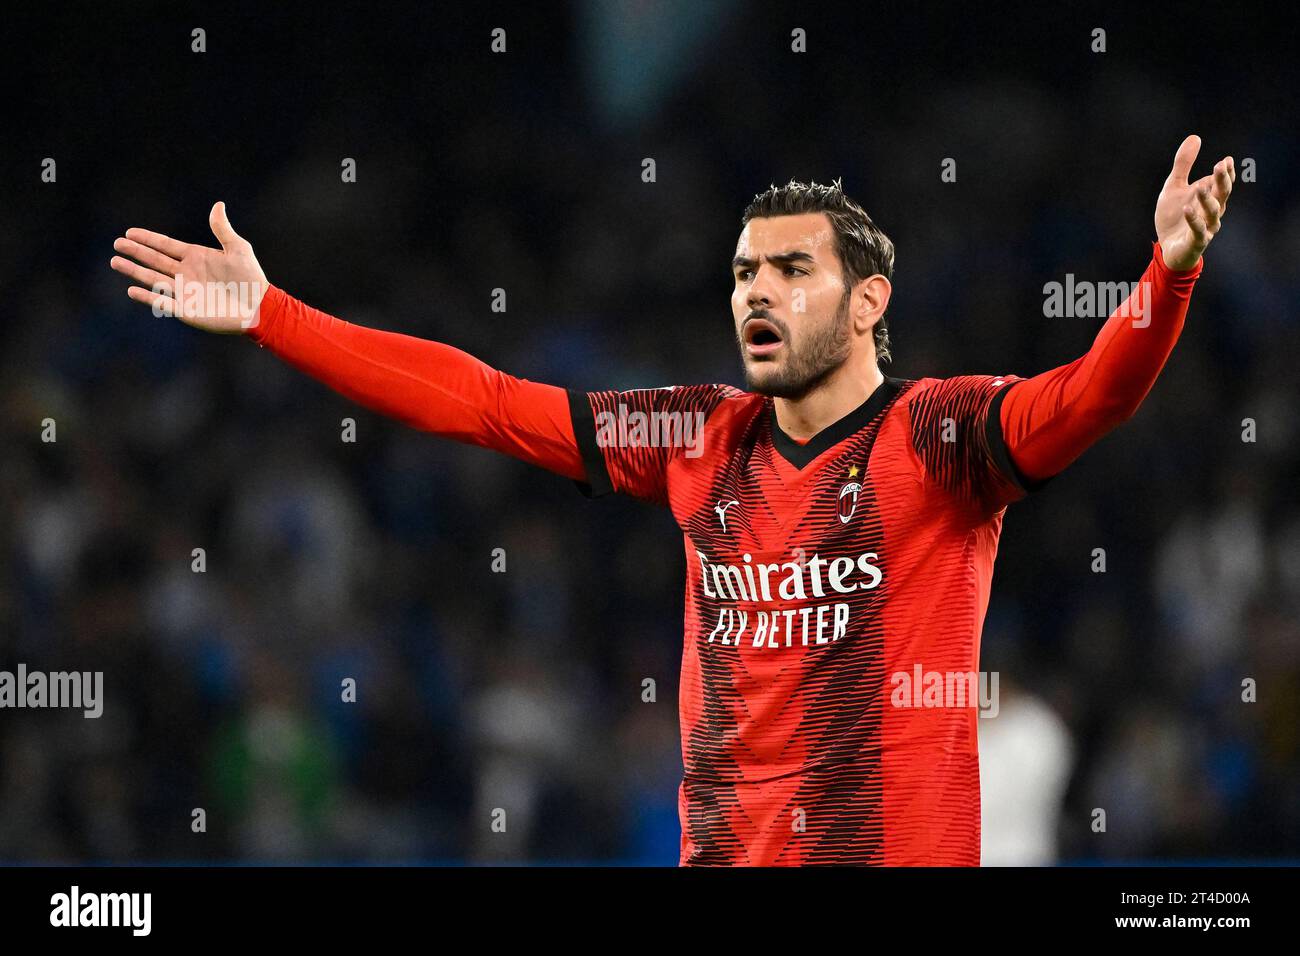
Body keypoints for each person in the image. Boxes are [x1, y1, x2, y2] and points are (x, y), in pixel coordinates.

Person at [109, 135, 1233, 866]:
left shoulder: (939, 435)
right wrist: (275, 314)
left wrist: (1166, 270)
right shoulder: (693, 433)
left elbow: (1093, 394)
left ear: (867, 299)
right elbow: (490, 403)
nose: (757, 290)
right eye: (744, 271)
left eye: (791, 270)